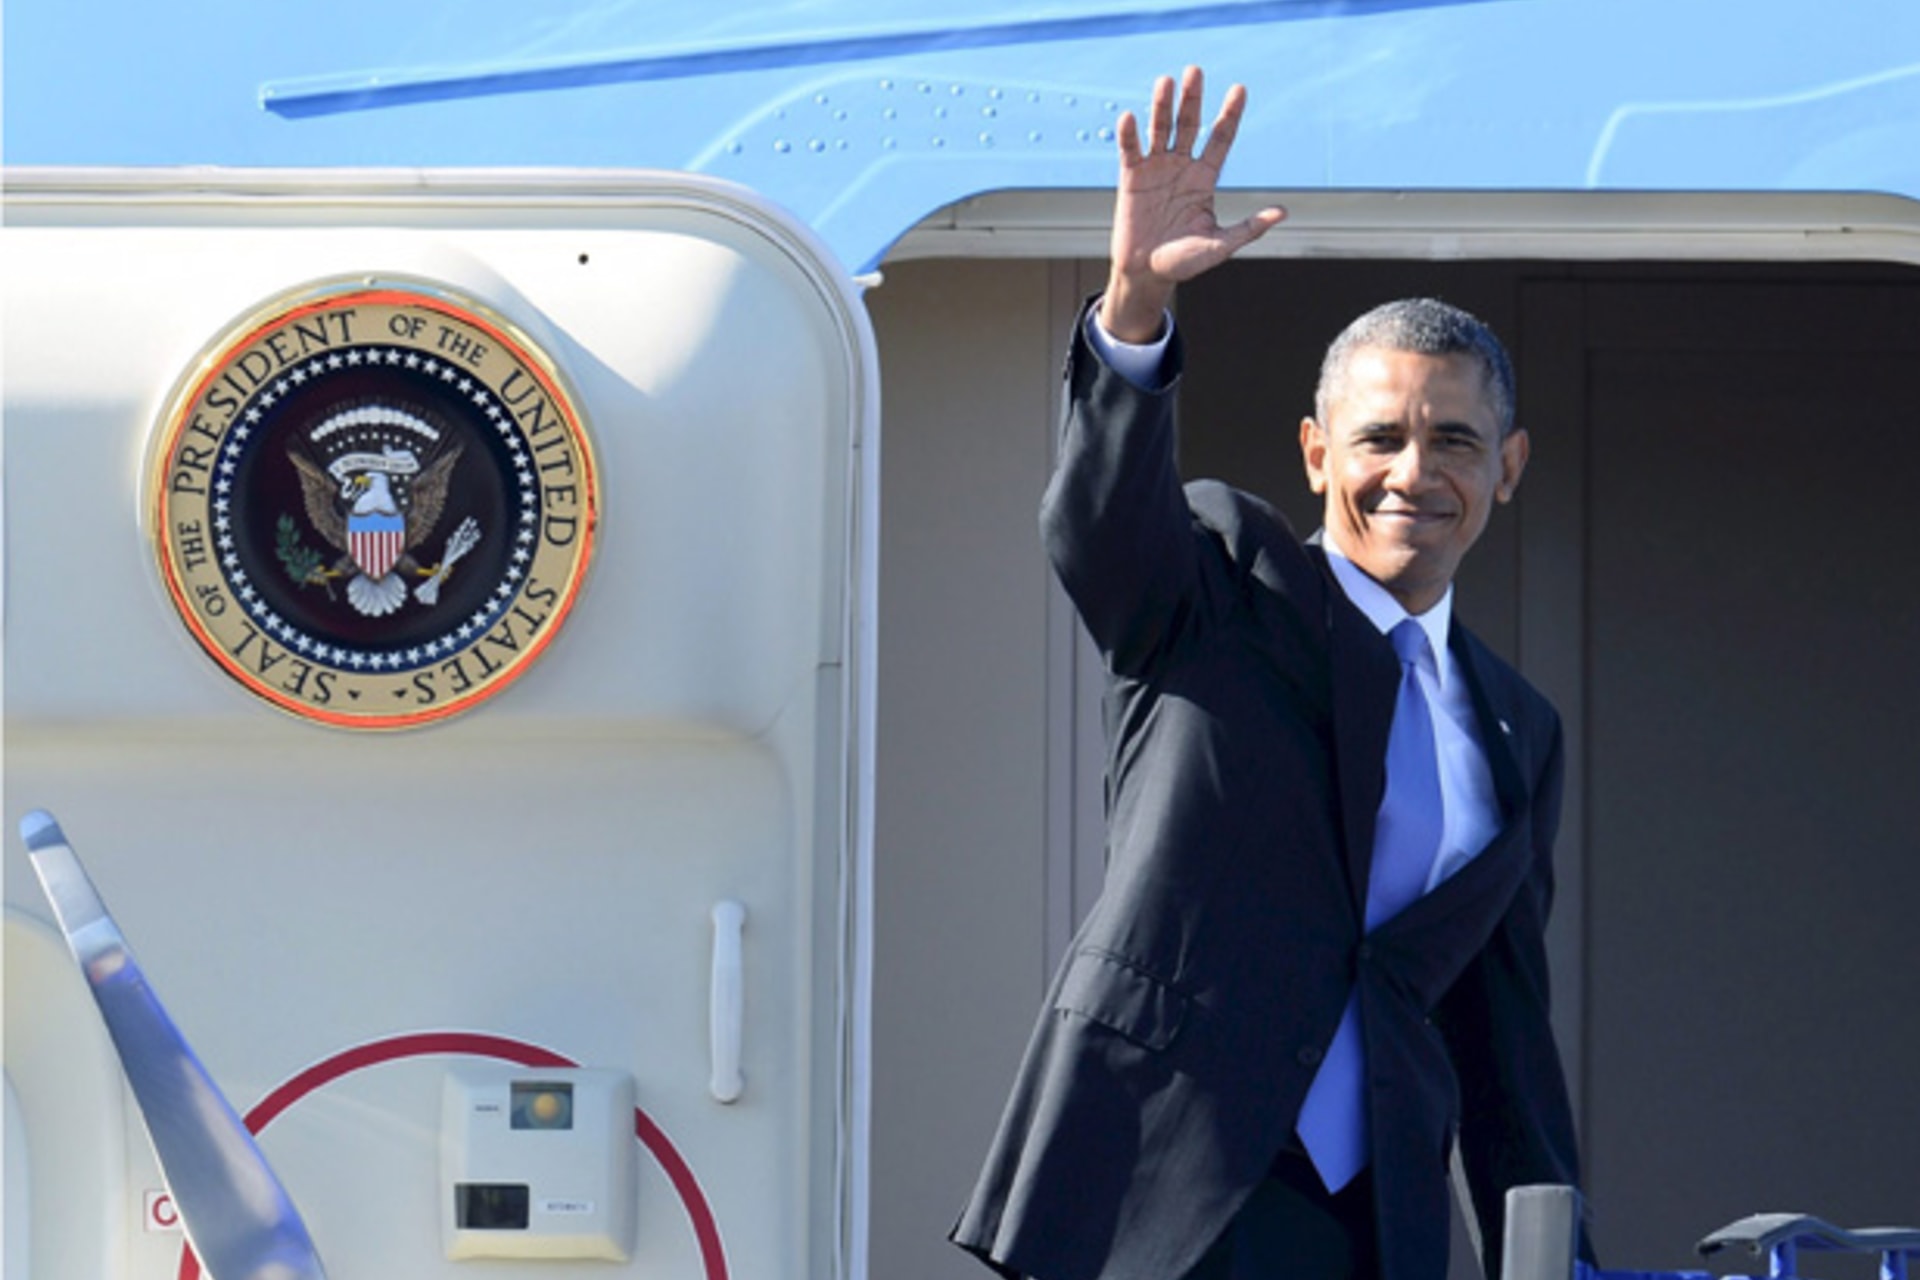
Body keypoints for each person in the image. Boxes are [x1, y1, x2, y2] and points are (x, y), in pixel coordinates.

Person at [950, 68, 1589, 1280]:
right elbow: (1100, 526)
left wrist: (1557, 1256)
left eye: (1454, 439)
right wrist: (1134, 306)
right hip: (1148, 1189)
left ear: (1507, 466)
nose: (1415, 470)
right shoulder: (1222, 587)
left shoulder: (1516, 724)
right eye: (1379, 437)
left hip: (1366, 1222)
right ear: (1314, 455)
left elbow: (1502, 1038)